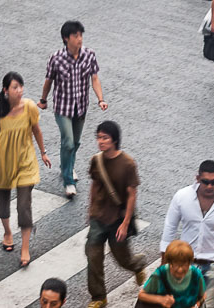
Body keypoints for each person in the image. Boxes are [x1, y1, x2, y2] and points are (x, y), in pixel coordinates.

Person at [0, 71, 50, 266]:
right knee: (2, 204)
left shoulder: (29, 107)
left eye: (21, 87)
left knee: (24, 207)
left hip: (25, 163)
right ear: (6, 90)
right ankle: (8, 232)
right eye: (15, 87)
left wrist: (43, 152)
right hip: (3, 162)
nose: (19, 91)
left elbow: (36, 129)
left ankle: (25, 248)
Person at [41, 19, 108, 200]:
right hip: (63, 107)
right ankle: (68, 181)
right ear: (66, 38)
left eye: (81, 35)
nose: (79, 39)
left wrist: (100, 99)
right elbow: (49, 80)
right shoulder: (56, 58)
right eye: (75, 36)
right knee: (68, 142)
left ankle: (67, 166)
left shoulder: (89, 55)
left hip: (80, 107)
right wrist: (43, 99)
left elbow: (94, 79)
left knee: (75, 143)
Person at [161, 161, 214, 306]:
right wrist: (164, 262)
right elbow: (170, 228)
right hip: (184, 263)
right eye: (205, 182)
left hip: (213, 265)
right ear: (197, 178)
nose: (210, 186)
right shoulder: (182, 197)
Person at [85, 121, 149, 308]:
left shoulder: (127, 163)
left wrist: (126, 222)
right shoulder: (96, 160)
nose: (101, 141)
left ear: (114, 139)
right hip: (99, 216)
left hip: (118, 218)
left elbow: (131, 194)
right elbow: (95, 184)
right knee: (93, 256)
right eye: (98, 137)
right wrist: (91, 210)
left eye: (104, 138)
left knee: (122, 258)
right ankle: (98, 296)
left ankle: (137, 265)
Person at [139, 240, 207, 308]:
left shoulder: (196, 274)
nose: (180, 269)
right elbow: (141, 295)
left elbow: (203, 295)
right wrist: (160, 299)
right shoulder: (160, 274)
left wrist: (196, 306)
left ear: (189, 262)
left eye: (184, 265)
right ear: (170, 262)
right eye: (176, 265)